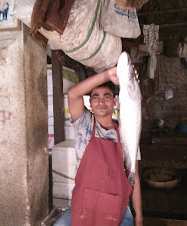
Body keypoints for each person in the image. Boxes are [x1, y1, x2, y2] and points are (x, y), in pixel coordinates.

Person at [54, 67, 143, 226]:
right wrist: (108, 75)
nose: (101, 101)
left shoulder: (128, 134)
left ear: (115, 101)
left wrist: (139, 216)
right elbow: (74, 93)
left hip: (117, 208)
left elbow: (133, 177)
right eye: (96, 97)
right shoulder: (84, 124)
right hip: (82, 206)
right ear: (90, 102)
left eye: (107, 96)